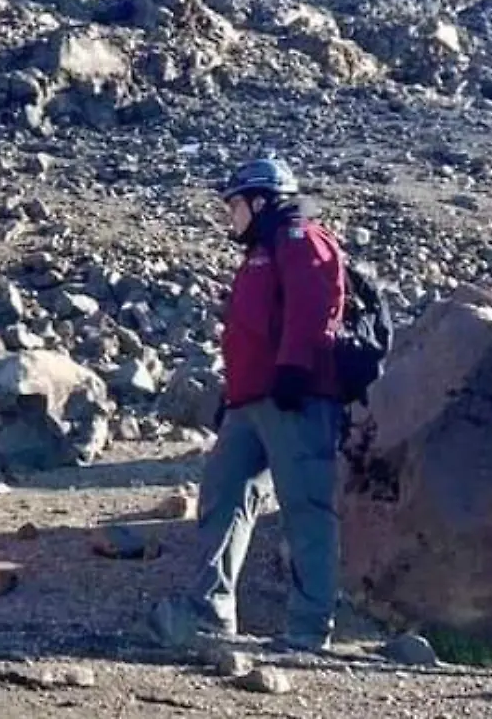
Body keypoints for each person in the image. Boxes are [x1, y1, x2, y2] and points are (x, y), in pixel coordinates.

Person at [150, 156, 347, 653]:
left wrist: (294, 369)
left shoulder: (300, 239)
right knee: (223, 498)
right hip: (252, 402)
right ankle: (210, 613)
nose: (229, 216)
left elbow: (315, 306)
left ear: (261, 200)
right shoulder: (262, 249)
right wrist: (233, 395)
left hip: (294, 399)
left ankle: (309, 628)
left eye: (234, 205)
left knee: (306, 509)